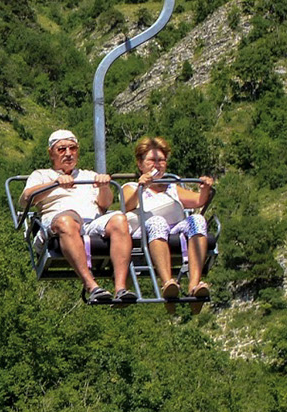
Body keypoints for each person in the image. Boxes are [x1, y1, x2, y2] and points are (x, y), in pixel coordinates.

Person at [19, 130, 135, 304]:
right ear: (51, 153)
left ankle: (120, 287)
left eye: (72, 148)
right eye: (61, 149)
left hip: (91, 221)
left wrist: (104, 187)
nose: (68, 153)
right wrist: (55, 184)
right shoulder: (41, 175)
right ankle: (91, 286)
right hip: (59, 221)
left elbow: (105, 204)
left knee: (119, 219)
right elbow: (25, 199)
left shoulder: (88, 175)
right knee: (68, 221)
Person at [121, 136, 216, 310]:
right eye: (151, 160)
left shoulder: (171, 187)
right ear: (140, 164)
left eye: (161, 161)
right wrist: (143, 187)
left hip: (174, 229)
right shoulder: (132, 187)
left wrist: (205, 189)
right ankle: (167, 282)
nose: (157, 165)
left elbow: (197, 201)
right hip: (146, 230)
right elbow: (126, 205)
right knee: (158, 221)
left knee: (197, 219)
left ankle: (194, 285)